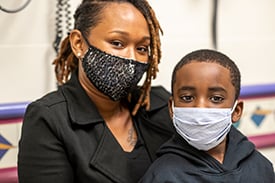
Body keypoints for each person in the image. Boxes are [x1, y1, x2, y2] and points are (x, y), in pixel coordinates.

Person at [17, 1, 175, 183]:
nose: (132, 58)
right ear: (78, 44)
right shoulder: (49, 119)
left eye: (141, 48)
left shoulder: (161, 103)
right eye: (117, 43)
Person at [139, 49, 275, 183]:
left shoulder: (260, 167)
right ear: (171, 108)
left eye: (216, 98)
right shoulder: (162, 175)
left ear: (236, 111)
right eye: (187, 97)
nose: (200, 107)